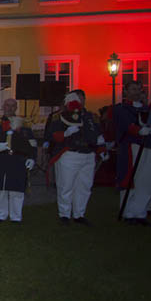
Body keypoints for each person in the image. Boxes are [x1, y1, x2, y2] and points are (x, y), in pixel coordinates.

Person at [45, 91, 101, 225]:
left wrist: (102, 147)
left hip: (88, 153)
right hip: (69, 153)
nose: (79, 101)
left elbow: (98, 133)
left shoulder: (90, 116)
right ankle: (64, 214)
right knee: (66, 185)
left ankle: (79, 214)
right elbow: (52, 135)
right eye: (76, 98)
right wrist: (65, 133)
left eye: (81, 99)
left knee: (84, 186)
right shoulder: (59, 116)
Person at [0, 99, 36, 223]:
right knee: (1, 189)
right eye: (7, 105)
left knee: (17, 190)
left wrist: (32, 158)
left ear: (16, 108)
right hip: (1, 158)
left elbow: (32, 143)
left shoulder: (24, 123)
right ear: (3, 106)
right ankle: (0, 215)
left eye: (13, 106)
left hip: (18, 159)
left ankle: (16, 216)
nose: (10, 108)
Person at [113, 80, 151, 225]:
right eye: (133, 89)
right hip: (131, 146)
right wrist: (139, 130)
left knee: (145, 180)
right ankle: (128, 212)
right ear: (126, 92)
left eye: (138, 89)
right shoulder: (121, 108)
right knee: (130, 178)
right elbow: (125, 125)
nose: (136, 92)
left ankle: (140, 212)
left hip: (147, 145)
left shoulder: (145, 108)